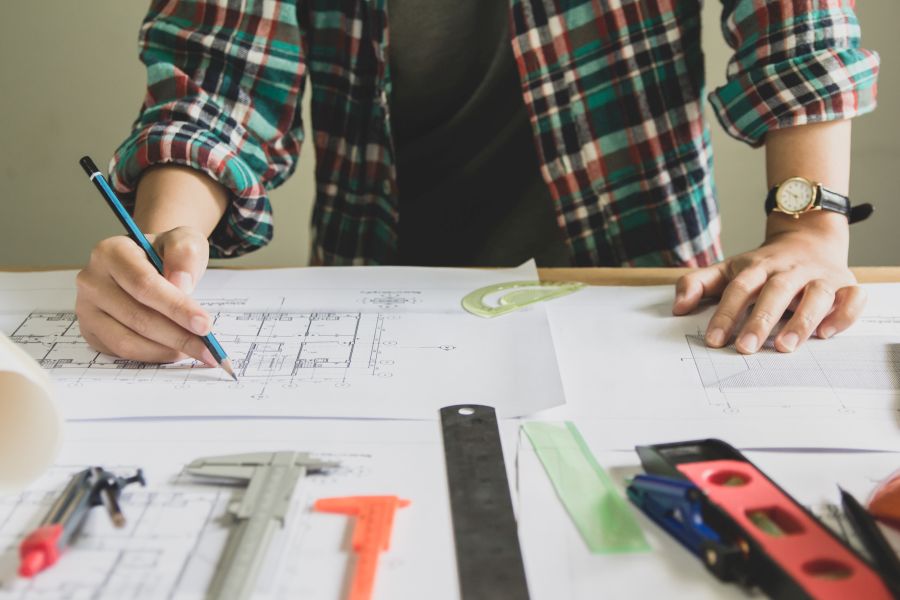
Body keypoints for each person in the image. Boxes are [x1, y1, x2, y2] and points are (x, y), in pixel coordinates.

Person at [75, 0, 879, 366]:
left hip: (644, 287)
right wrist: (168, 246)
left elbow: (798, 26)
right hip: (380, 294)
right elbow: (219, 81)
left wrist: (808, 231)